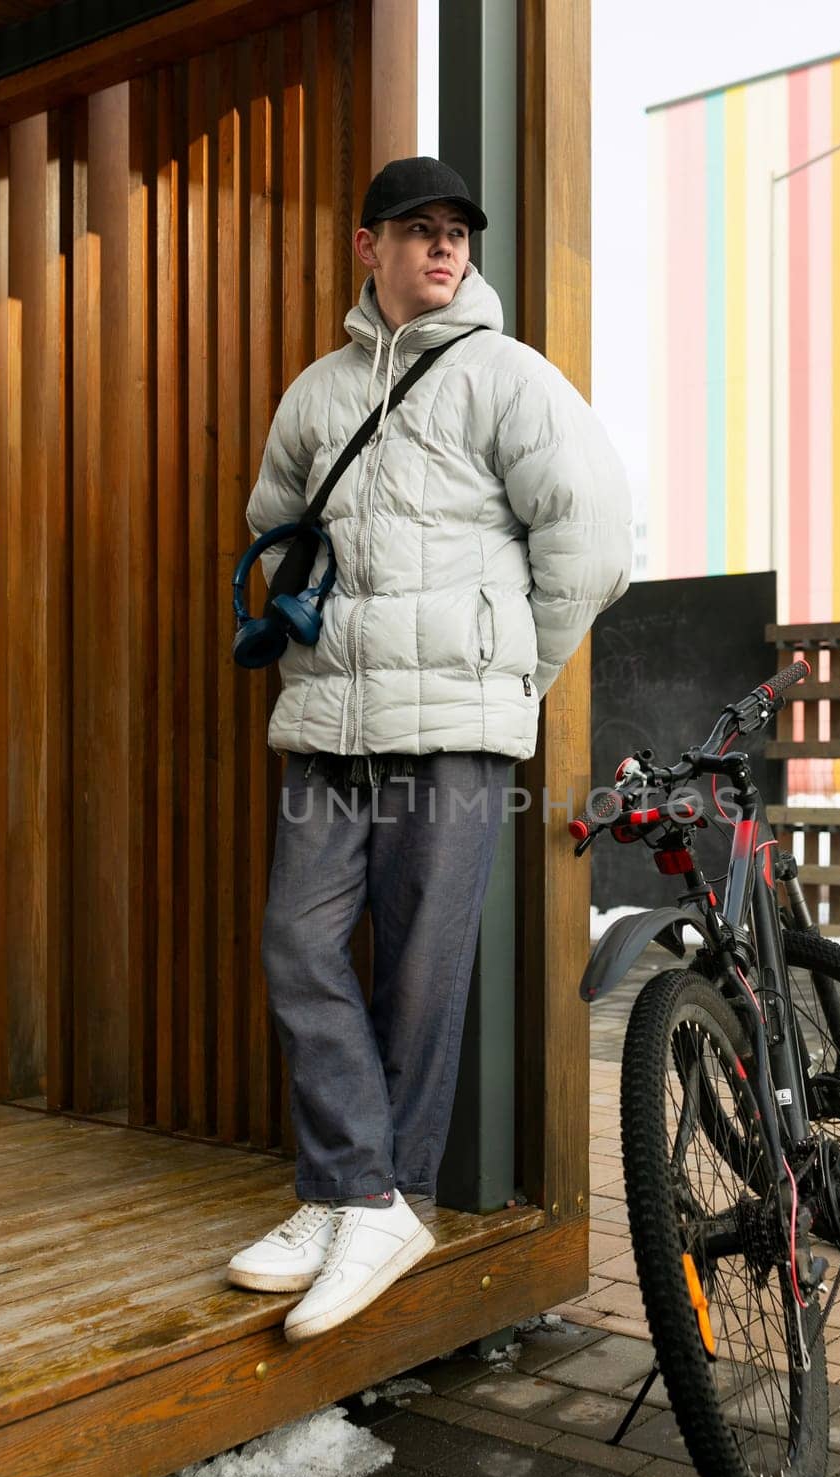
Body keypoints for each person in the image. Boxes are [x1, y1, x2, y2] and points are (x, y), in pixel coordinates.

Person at [227, 156, 632, 1343]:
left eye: (457, 232)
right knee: (297, 944)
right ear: (369, 247)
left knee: (416, 966)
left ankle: (367, 1200)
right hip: (330, 722)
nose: (444, 249)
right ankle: (357, 1190)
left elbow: (592, 538)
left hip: (451, 729)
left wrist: (509, 666)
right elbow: (277, 530)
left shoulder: (506, 377)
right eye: (418, 231)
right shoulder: (314, 393)